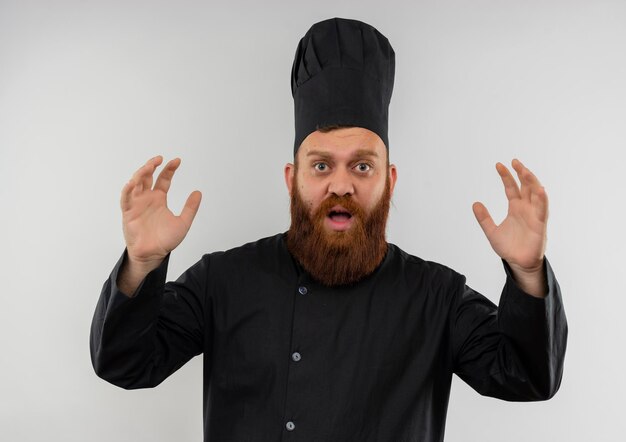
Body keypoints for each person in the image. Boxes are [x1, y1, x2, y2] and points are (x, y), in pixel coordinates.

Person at [90, 17, 567, 442]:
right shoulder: (222, 281)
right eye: (320, 165)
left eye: (362, 166)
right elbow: (125, 363)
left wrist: (527, 273)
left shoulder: (436, 296)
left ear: (389, 179)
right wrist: (143, 264)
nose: (341, 184)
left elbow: (526, 377)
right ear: (291, 178)